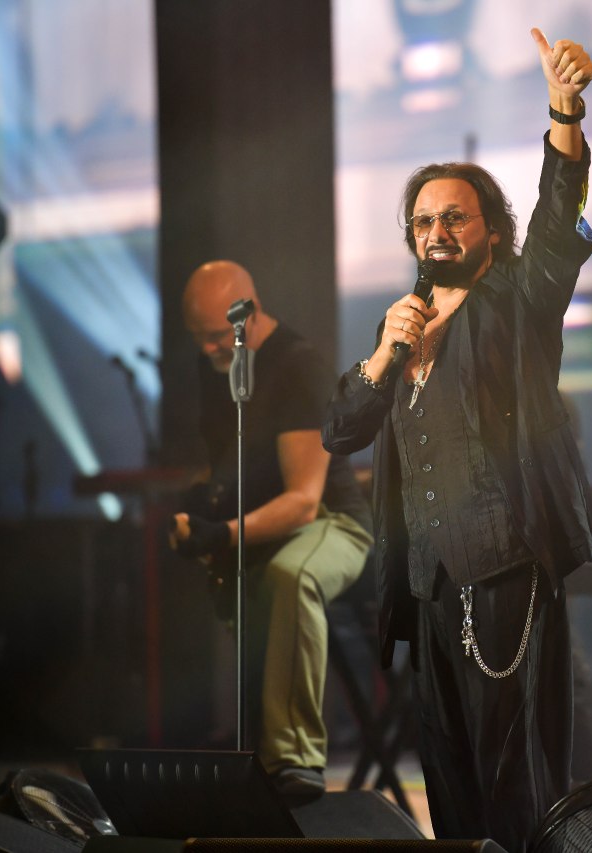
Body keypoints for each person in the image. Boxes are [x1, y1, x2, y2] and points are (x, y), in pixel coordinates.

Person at [322, 29, 592, 851]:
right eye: (422, 221)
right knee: (448, 776)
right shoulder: (403, 323)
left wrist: (563, 113)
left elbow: (557, 227)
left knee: (513, 774)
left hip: (506, 567)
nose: (436, 230)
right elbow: (341, 429)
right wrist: (383, 356)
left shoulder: (517, 298)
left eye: (453, 216)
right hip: (428, 586)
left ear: (489, 228)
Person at [170, 260, 372, 800]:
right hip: (272, 525)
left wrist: (222, 534)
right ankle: (251, 754)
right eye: (198, 336)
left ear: (249, 313)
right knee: (254, 577)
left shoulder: (297, 366)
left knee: (290, 575)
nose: (208, 348)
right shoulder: (216, 369)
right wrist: (199, 511)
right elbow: (225, 465)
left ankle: (295, 759)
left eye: (217, 335)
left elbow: (304, 503)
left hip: (335, 523)